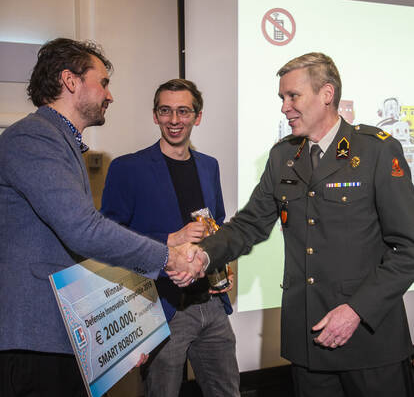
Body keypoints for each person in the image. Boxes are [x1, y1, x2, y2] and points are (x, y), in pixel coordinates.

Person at [187, 53, 414, 396]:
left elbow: (408, 248)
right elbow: (249, 224)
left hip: (370, 342)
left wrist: (357, 310)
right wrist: (202, 255)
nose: (284, 107)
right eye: (282, 97)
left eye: (293, 96)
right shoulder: (283, 156)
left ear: (326, 94)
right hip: (309, 342)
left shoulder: (376, 151)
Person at [0, 39, 204, 397]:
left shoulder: (61, 142)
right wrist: (168, 257)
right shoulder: (34, 138)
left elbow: (72, 250)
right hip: (34, 340)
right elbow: (84, 231)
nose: (110, 95)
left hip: (58, 338)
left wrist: (124, 334)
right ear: (71, 81)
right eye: (103, 83)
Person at [101, 79, 240, 396]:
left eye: (183, 111)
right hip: (162, 308)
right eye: (165, 111)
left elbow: (215, 224)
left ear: (197, 117)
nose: (174, 120)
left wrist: (221, 262)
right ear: (155, 115)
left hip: (211, 303)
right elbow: (108, 237)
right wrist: (170, 238)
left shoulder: (209, 166)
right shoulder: (128, 168)